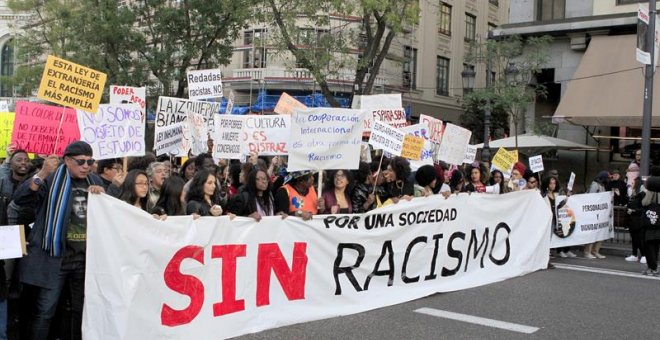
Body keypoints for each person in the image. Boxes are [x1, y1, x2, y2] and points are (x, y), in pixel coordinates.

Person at [12, 141, 105, 340]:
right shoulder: (51, 178)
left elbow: (111, 213)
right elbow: (19, 198)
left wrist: (104, 197)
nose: (86, 166)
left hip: (84, 259)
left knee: (81, 312)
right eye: (81, 161)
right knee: (45, 312)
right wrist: (42, 173)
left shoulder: (95, 180)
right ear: (67, 160)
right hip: (54, 259)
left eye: (90, 161)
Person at [583, 170, 610, 259]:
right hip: (594, 213)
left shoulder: (602, 186)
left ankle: (595, 251)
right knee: (592, 232)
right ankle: (588, 251)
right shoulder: (595, 185)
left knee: (600, 232)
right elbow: (591, 198)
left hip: (600, 213)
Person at [641, 167, 660, 276]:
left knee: (649, 246)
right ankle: (655, 267)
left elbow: (645, 202)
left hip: (652, 220)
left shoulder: (652, 186)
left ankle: (652, 268)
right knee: (656, 246)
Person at [626, 176, 646, 264]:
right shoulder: (633, 194)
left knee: (640, 239)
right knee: (634, 238)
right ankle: (634, 254)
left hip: (639, 220)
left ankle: (644, 255)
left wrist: (633, 211)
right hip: (632, 219)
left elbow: (643, 208)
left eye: (634, 183)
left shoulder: (642, 194)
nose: (632, 185)